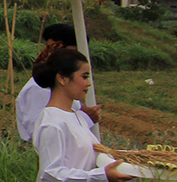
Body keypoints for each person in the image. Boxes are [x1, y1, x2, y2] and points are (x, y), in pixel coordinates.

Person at [32, 48, 133, 182]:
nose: (88, 83)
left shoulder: (76, 116)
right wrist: (102, 176)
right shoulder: (52, 123)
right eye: (84, 77)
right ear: (62, 78)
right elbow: (50, 174)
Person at [16, 24, 99, 142]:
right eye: (74, 52)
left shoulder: (64, 84)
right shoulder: (41, 87)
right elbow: (41, 133)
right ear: (57, 47)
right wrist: (86, 119)